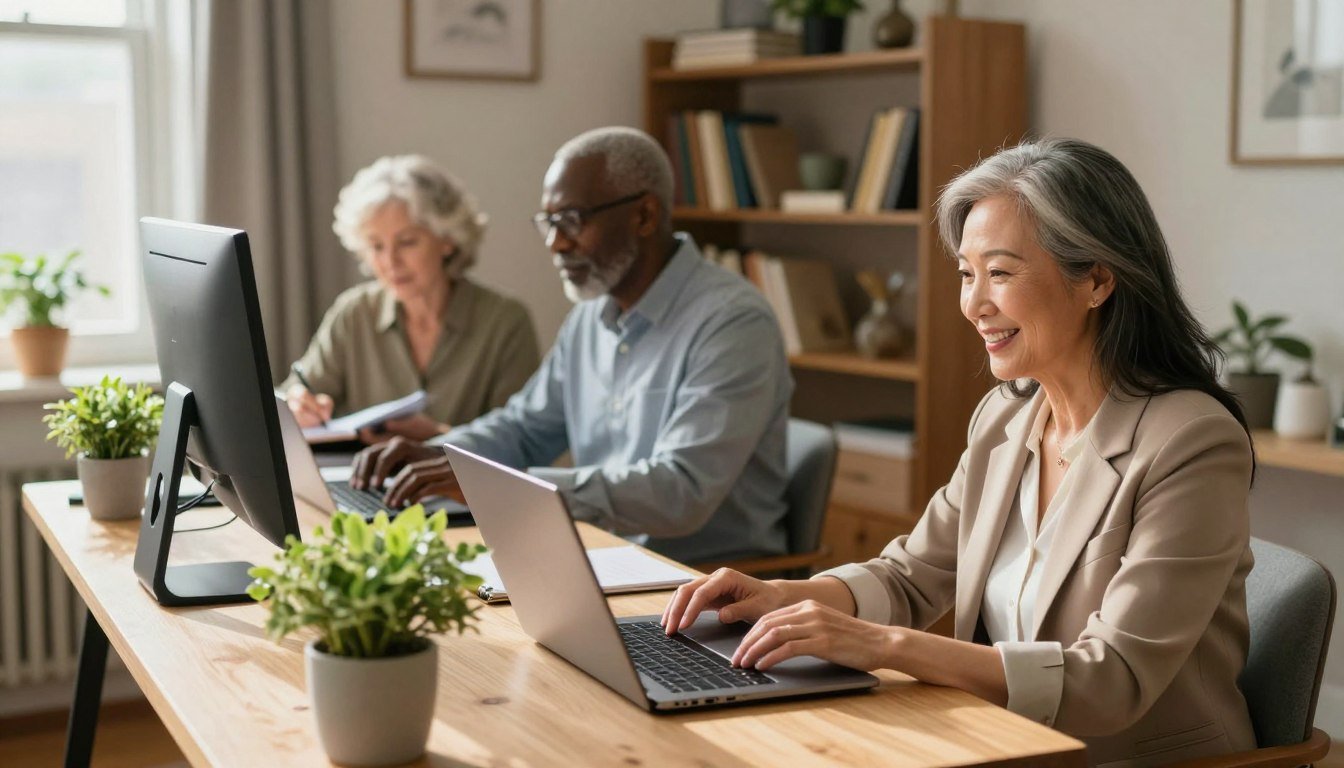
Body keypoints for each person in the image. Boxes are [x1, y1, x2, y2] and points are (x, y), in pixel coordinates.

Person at [662, 138, 1257, 765]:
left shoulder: (1191, 441)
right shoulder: (1004, 418)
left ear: (1097, 280)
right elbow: (912, 576)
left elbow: (1111, 680)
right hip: (1002, 742)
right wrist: (784, 597)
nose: (973, 305)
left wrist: (883, 646)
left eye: (999, 273)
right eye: (967, 275)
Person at [349, 127, 793, 564]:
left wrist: (501, 487)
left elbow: (682, 491)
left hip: (706, 578)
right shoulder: (590, 316)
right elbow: (525, 429)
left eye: (572, 221)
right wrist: (439, 455)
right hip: (602, 553)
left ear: (644, 216)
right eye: (549, 222)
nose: (555, 243)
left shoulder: (732, 322)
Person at [281, 155, 540, 442]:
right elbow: (292, 397)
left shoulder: (505, 322)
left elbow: (523, 439)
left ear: (447, 240)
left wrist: (439, 437)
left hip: (457, 474)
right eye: (376, 246)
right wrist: (298, 405)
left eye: (407, 242)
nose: (390, 261)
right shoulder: (354, 313)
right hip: (361, 470)